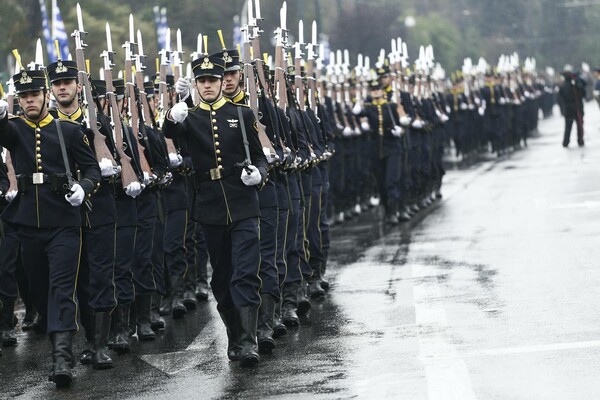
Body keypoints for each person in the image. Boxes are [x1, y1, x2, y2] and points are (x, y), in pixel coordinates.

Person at [163, 51, 268, 367]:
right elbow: (168, 134)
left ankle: (249, 342)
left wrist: (259, 173)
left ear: (224, 82)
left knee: (246, 273)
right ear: (195, 84)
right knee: (222, 278)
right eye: (202, 81)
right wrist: (171, 116)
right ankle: (235, 335)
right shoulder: (189, 117)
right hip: (209, 207)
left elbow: (261, 156)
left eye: (212, 80)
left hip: (242, 203)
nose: (207, 85)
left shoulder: (242, 113)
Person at [0, 68, 101, 387]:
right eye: (24, 96)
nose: (30, 100)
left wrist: (84, 187)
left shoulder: (68, 131)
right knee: (42, 292)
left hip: (63, 224)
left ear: (45, 96)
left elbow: (93, 168)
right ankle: (57, 341)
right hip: (27, 224)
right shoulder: (13, 130)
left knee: (61, 290)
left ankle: (62, 359)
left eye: (34, 95)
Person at [558, 70, 586, 147]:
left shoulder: (563, 86)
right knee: (579, 126)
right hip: (577, 108)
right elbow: (583, 92)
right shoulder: (575, 85)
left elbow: (561, 97)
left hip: (569, 109)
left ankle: (566, 142)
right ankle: (580, 141)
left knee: (568, 127)